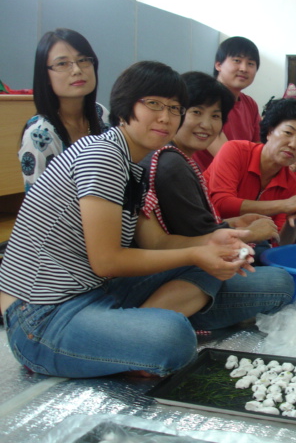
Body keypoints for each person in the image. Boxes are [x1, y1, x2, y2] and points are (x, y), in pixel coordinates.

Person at [0, 61, 255, 378]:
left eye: (175, 108)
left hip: (93, 293)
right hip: (39, 317)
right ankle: (132, 337)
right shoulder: (103, 156)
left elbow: (157, 243)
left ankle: (125, 335)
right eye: (153, 104)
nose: (165, 117)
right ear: (124, 106)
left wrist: (208, 242)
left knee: (211, 268)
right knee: (173, 336)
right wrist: (196, 253)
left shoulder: (132, 162)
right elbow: (107, 261)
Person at [139, 71, 294, 323]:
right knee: (279, 282)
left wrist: (235, 225)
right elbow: (205, 234)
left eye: (216, 116)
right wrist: (248, 233)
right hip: (168, 270)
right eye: (196, 112)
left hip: (182, 257)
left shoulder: (176, 159)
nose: (207, 125)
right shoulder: (173, 163)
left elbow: (196, 228)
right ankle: (158, 324)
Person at [204, 99, 296, 245]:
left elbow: (278, 243)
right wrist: (283, 205)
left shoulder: (290, 182)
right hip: (206, 236)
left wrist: (294, 220)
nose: (293, 144)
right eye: (288, 133)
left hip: (245, 243)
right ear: (269, 131)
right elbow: (222, 204)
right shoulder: (235, 150)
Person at [19, 28, 109, 192]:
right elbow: (40, 208)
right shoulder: (40, 135)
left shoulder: (101, 114)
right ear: (45, 76)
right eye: (62, 64)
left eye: (83, 60)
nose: (77, 70)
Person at [192, 36, 262, 170]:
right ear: (218, 65)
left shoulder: (249, 103)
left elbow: (257, 145)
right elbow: (225, 155)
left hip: (237, 180)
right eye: (237, 60)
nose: (244, 68)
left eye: (250, 64)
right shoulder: (207, 100)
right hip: (206, 182)